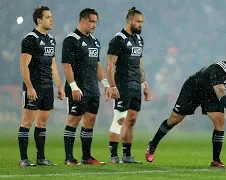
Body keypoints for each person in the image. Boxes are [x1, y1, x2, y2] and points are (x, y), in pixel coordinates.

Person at [145, 49, 226, 168]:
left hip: (211, 95)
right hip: (193, 90)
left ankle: (216, 160)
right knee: (174, 120)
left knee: (219, 121)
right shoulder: (219, 69)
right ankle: (153, 143)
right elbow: (220, 92)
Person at [62, 8, 111, 165]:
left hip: (92, 89)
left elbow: (97, 65)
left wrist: (105, 84)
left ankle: (86, 157)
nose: (94, 25)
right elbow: (66, 65)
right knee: (73, 121)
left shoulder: (94, 41)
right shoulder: (71, 40)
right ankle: (69, 158)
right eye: (91, 21)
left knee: (89, 122)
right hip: (77, 88)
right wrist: (74, 86)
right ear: (83, 20)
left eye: (96, 22)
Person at [18, 6, 65, 167]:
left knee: (42, 124)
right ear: (39, 20)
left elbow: (52, 65)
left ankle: (41, 158)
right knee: (26, 122)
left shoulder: (51, 40)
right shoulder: (30, 39)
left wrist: (59, 85)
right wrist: (29, 87)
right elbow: (24, 66)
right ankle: (24, 159)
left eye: (51, 17)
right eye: (48, 17)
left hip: (47, 88)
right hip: (34, 86)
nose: (51, 19)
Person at [106, 7, 151, 164]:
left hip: (135, 85)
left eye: (142, 22)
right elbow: (110, 64)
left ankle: (127, 155)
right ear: (129, 20)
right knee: (119, 118)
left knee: (131, 120)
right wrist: (112, 86)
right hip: (122, 84)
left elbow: (139, 64)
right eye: (138, 21)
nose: (140, 25)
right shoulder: (118, 39)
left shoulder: (139, 40)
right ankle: (113, 155)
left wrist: (144, 84)